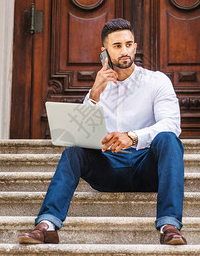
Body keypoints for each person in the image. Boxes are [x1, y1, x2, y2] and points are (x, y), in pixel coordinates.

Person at [18, 18, 186, 245]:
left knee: (169, 140)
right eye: (117, 46)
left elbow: (171, 124)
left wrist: (132, 136)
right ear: (104, 52)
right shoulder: (98, 87)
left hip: (148, 167)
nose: (125, 51)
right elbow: (79, 135)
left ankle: (169, 226)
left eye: (129, 44)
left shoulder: (156, 81)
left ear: (135, 47)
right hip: (109, 170)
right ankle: (47, 225)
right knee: (73, 152)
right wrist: (95, 95)